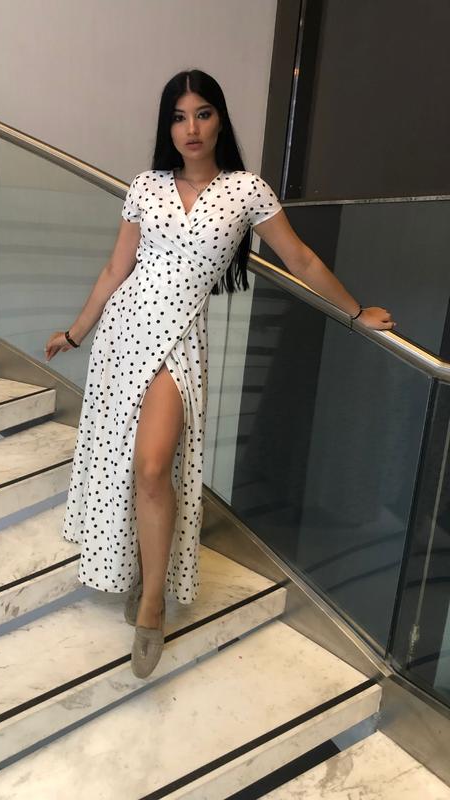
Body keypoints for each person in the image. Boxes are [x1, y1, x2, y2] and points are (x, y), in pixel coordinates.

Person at [44, 69, 396, 680]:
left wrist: (355, 310)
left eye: (203, 114)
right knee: (126, 463)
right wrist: (77, 331)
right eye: (179, 117)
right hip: (123, 335)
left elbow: (300, 256)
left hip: (179, 339)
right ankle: (136, 569)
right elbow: (115, 270)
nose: (192, 128)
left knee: (153, 465)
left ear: (220, 120)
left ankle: (153, 603)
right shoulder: (146, 185)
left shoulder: (246, 190)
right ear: (168, 127)